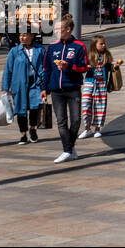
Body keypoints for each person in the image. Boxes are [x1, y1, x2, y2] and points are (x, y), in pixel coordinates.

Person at [38, 14, 89, 163]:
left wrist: (69, 67)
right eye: (55, 29)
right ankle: (67, 150)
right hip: (56, 90)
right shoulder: (52, 47)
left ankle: (69, 146)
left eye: (58, 29)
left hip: (72, 88)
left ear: (68, 29)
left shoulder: (79, 46)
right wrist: (44, 88)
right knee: (61, 121)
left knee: (76, 120)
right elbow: (46, 69)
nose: (55, 31)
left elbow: (84, 67)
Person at [1, 29, 45, 144]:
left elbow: (44, 68)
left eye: (24, 35)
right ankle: (23, 134)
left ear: (31, 36)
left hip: (35, 83)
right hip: (19, 84)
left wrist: (44, 85)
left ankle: (33, 128)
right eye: (20, 35)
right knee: (21, 109)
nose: (21, 38)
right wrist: (5, 88)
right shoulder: (14, 51)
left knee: (35, 107)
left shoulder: (40, 50)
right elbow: (8, 70)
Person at [81, 36, 121, 138]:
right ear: (95, 45)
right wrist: (85, 67)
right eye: (101, 44)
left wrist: (115, 66)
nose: (104, 45)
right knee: (85, 105)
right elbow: (82, 67)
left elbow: (109, 67)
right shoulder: (89, 55)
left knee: (100, 106)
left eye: (104, 43)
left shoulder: (106, 55)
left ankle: (98, 129)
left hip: (101, 83)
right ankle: (87, 128)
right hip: (89, 82)